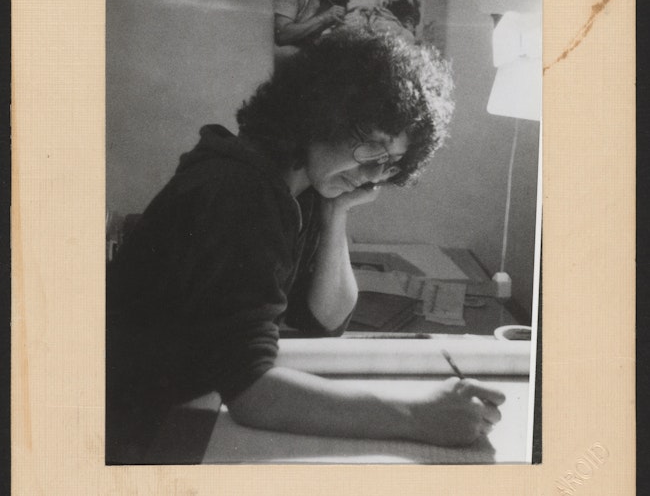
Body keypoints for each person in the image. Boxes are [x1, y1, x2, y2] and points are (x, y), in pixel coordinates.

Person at [106, 28, 504, 463]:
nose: (374, 176)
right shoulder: (240, 191)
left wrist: (336, 213)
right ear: (321, 114)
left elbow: (325, 320)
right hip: (126, 434)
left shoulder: (295, 187)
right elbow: (252, 392)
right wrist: (417, 414)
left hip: (174, 409)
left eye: (390, 163)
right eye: (371, 149)